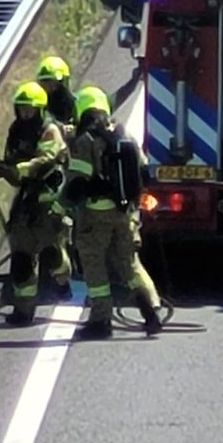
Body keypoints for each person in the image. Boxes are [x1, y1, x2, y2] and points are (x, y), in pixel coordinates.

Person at [61, 85, 163, 340]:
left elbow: (77, 183)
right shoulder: (123, 133)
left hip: (95, 217)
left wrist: (58, 207)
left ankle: (100, 321)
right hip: (124, 213)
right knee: (129, 265)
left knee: (94, 267)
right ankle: (151, 313)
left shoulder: (85, 141)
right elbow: (143, 171)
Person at [0, 82, 71, 325]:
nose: (25, 114)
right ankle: (24, 311)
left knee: (51, 254)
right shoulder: (16, 130)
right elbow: (15, 167)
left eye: (29, 110)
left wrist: (16, 170)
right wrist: (0, 168)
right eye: (21, 109)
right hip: (25, 201)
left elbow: (44, 160)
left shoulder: (49, 130)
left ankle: (62, 280)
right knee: (21, 259)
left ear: (40, 110)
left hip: (48, 200)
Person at [34, 55, 77, 131]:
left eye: (53, 84)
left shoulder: (78, 107)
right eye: (44, 83)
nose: (50, 89)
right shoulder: (38, 112)